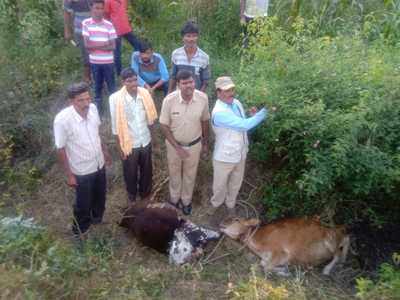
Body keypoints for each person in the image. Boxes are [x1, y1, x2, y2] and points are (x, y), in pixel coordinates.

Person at [53, 82, 111, 237]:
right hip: (82, 169)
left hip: (99, 163)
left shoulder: (93, 109)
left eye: (88, 98)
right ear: (71, 101)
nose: (86, 103)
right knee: (83, 203)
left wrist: (104, 151)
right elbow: (60, 148)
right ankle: (79, 232)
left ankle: (97, 220)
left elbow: (97, 132)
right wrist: (70, 175)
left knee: (100, 195)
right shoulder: (62, 120)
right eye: (81, 100)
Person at [210, 76, 269, 217]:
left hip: (240, 153)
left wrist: (251, 115)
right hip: (224, 157)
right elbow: (244, 125)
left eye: (232, 89)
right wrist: (265, 111)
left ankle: (230, 205)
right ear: (218, 93)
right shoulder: (219, 113)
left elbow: (241, 122)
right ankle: (215, 207)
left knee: (236, 183)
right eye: (226, 90)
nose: (231, 92)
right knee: (219, 186)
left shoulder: (236, 103)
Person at [160, 70, 210, 215]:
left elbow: (205, 120)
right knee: (174, 173)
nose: (189, 85)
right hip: (174, 146)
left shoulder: (203, 98)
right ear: (178, 85)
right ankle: (174, 200)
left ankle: (186, 201)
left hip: (194, 145)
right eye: (185, 83)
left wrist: (205, 143)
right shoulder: (169, 100)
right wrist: (177, 147)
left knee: (190, 174)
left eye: (191, 82)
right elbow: (163, 125)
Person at [109, 68, 157, 203]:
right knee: (130, 172)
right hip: (129, 143)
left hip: (145, 140)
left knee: (147, 170)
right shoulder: (115, 99)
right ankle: (132, 196)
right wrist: (120, 148)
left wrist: (153, 139)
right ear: (123, 82)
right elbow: (115, 126)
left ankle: (145, 195)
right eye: (129, 81)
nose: (133, 83)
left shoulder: (145, 94)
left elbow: (151, 119)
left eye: (135, 79)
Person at [82, 0, 117, 114]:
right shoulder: (86, 23)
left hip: (108, 62)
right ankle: (99, 113)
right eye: (97, 8)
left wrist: (95, 46)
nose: (99, 11)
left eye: (101, 8)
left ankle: (115, 112)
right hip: (95, 62)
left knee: (112, 88)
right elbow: (87, 46)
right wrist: (105, 43)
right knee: (97, 88)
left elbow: (113, 46)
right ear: (91, 8)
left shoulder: (109, 25)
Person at [168, 21, 210, 94]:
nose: (191, 39)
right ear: (183, 37)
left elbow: (205, 81)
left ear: (197, 37)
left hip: (196, 94)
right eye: (188, 36)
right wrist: (169, 93)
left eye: (194, 36)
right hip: (179, 94)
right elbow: (173, 76)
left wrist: (200, 96)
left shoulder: (204, 57)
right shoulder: (176, 54)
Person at [104, 0, 141, 76]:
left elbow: (106, 15)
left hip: (116, 28)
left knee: (117, 52)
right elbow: (124, 9)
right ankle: (140, 63)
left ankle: (119, 72)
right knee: (137, 45)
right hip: (125, 27)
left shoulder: (107, 1)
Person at [63, 0, 91, 83]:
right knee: (86, 54)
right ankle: (87, 77)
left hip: (97, 28)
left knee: (98, 52)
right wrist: (67, 31)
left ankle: (98, 76)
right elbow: (66, 11)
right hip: (81, 31)